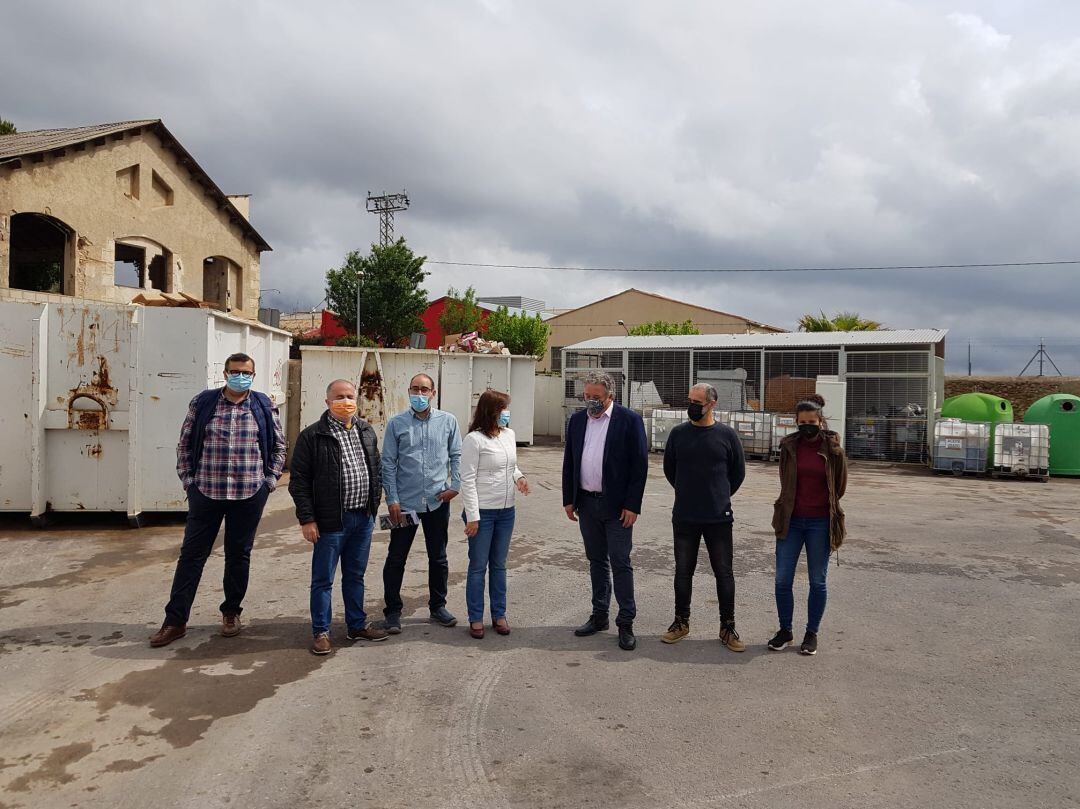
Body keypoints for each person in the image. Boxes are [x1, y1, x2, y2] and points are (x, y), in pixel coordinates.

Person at [150, 352, 286, 648]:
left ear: (253, 375)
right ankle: (175, 621)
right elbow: (184, 443)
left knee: (239, 555)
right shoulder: (204, 402)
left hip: (249, 493)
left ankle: (231, 612)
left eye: (247, 373)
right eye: (235, 371)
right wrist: (189, 481)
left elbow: (278, 446)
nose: (241, 377)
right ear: (225, 374)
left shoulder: (263, 404)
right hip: (206, 492)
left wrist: (270, 480)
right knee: (191, 556)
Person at [289, 379, 389, 655]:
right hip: (331, 522)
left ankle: (356, 625)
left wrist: (373, 505)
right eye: (339, 397)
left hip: (362, 519)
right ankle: (321, 632)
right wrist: (307, 519)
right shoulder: (312, 436)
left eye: (349, 396)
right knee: (323, 579)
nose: (346, 402)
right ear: (327, 402)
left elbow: (376, 471)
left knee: (355, 576)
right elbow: (299, 482)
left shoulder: (366, 431)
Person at [562, 370, 648, 651]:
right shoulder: (576, 421)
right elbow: (570, 462)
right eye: (586, 396)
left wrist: (632, 505)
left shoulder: (629, 420)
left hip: (617, 507)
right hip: (587, 503)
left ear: (610, 395)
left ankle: (626, 623)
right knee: (596, 562)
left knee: (620, 563)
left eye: (596, 397)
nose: (591, 402)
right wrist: (569, 499)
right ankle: (600, 616)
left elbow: (639, 467)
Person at [661, 383, 747, 651]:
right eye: (689, 400)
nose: (692, 405)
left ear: (712, 404)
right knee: (683, 572)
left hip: (718, 518)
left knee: (724, 573)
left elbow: (737, 473)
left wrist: (718, 495)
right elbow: (669, 470)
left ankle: (727, 626)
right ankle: (681, 622)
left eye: (697, 401)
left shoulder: (726, 435)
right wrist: (689, 492)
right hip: (685, 516)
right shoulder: (678, 434)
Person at [380, 372, 462, 633]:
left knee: (438, 557)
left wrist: (455, 486)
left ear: (433, 393)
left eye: (424, 390)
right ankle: (392, 611)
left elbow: (457, 455)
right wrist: (392, 498)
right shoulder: (397, 424)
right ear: (408, 391)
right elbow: (388, 463)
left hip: (438, 501)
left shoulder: (448, 421)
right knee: (396, 557)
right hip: (405, 503)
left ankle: (438, 606)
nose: (419, 394)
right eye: (415, 389)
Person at [769, 394, 848, 656]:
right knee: (782, 579)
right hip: (790, 521)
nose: (807, 426)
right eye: (802, 422)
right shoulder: (789, 446)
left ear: (821, 421)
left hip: (820, 522)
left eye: (812, 421)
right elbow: (784, 481)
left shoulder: (834, 450)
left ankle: (811, 633)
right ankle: (785, 630)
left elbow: (840, 487)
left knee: (817, 581)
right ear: (796, 422)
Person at [459, 389, 530, 639]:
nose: (507, 414)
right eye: (503, 410)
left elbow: (511, 466)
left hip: (506, 511)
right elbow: (466, 480)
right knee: (478, 566)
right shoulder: (474, 440)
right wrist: (473, 516)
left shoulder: (509, 434)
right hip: (483, 514)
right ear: (491, 411)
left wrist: (519, 478)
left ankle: (499, 614)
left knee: (499, 566)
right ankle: (475, 617)